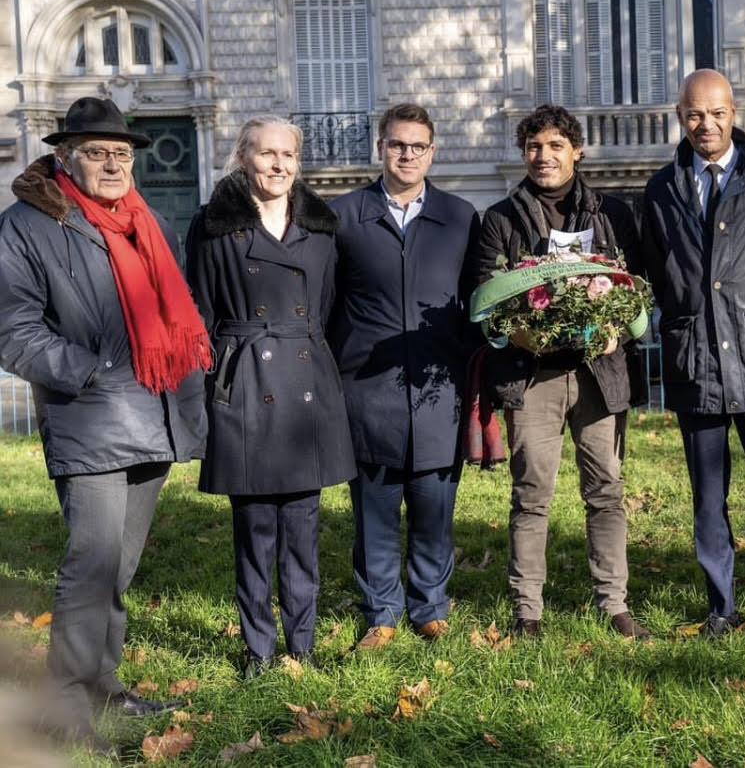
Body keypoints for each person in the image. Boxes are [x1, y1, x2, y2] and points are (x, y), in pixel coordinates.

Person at [0, 97, 209, 742]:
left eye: (122, 153)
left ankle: (105, 691)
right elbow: (14, 329)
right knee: (90, 566)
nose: (115, 164)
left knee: (117, 568)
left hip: (157, 411)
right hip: (91, 417)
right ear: (65, 157)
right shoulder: (29, 225)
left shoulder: (142, 220)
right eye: (98, 152)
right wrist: (91, 372)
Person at [639, 69, 745, 647]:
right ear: (680, 116)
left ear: (734, 113)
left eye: (717, 113)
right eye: (694, 114)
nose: (706, 124)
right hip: (697, 365)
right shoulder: (661, 188)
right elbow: (660, 274)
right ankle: (722, 606)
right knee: (707, 497)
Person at [467, 104, 649, 640]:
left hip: (601, 372)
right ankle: (528, 610)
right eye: (532, 147)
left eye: (553, 146)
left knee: (607, 491)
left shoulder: (612, 213)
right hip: (533, 375)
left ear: (576, 152)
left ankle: (613, 602)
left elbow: (635, 285)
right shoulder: (500, 218)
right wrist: (522, 333)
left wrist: (616, 326)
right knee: (531, 494)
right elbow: (484, 300)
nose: (542, 156)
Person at [185, 116, 356, 677]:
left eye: (288, 155)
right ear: (243, 158)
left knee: (304, 527)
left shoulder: (321, 230)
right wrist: (217, 388)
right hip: (246, 386)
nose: (279, 165)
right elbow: (202, 315)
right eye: (266, 154)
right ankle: (258, 649)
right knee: (256, 528)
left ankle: (302, 645)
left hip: (306, 384)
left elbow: (326, 309)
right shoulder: (212, 228)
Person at [328, 104, 479, 651]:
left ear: (432, 152)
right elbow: (327, 302)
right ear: (380, 148)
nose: (407, 154)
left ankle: (430, 605)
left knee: (435, 505)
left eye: (418, 146)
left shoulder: (460, 217)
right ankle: (381, 612)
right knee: (374, 509)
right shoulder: (342, 216)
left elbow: (474, 302)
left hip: (440, 389)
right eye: (397, 145)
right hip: (366, 388)